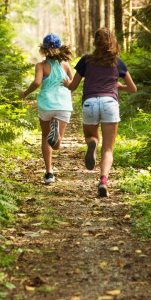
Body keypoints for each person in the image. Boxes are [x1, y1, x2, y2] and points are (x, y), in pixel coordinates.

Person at [64, 27, 136, 198]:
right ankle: (103, 181)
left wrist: (66, 83)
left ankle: (92, 144)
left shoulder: (85, 60)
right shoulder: (117, 63)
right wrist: (120, 86)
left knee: (91, 136)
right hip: (110, 103)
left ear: (95, 43)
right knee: (109, 149)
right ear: (112, 42)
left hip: (90, 103)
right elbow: (133, 89)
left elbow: (73, 87)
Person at [20, 33, 74, 184]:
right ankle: (56, 134)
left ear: (43, 49)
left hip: (46, 105)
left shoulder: (41, 66)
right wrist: (67, 84)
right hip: (63, 105)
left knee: (45, 137)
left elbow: (37, 82)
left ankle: (49, 173)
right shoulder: (65, 65)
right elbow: (72, 84)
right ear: (60, 48)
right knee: (56, 144)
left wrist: (25, 93)